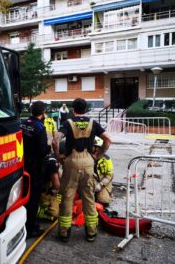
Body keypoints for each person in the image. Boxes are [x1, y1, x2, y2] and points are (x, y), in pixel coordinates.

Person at [53, 98, 112, 243]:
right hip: (88, 162)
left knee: (67, 197)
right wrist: (98, 156)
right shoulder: (93, 123)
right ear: (85, 109)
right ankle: (91, 232)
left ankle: (64, 233)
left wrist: (59, 156)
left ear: (73, 110)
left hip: (71, 162)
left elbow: (55, 141)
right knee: (89, 198)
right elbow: (108, 140)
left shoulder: (68, 123)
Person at [20, 101, 51, 238]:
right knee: (33, 197)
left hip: (23, 163)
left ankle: (23, 222)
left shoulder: (23, 122)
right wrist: (49, 148)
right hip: (36, 167)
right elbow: (42, 150)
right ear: (43, 113)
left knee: (24, 193)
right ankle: (31, 228)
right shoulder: (39, 127)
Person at [37, 156, 61, 221]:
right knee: (55, 213)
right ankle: (39, 212)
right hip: (44, 190)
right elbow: (56, 185)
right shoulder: (53, 163)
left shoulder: (51, 159)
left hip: (44, 186)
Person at [93, 137, 114, 207]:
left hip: (103, 182)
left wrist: (100, 185)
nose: (96, 149)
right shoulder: (87, 158)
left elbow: (110, 175)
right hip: (91, 182)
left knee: (103, 200)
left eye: (98, 147)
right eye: (94, 147)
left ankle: (107, 193)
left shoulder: (106, 159)